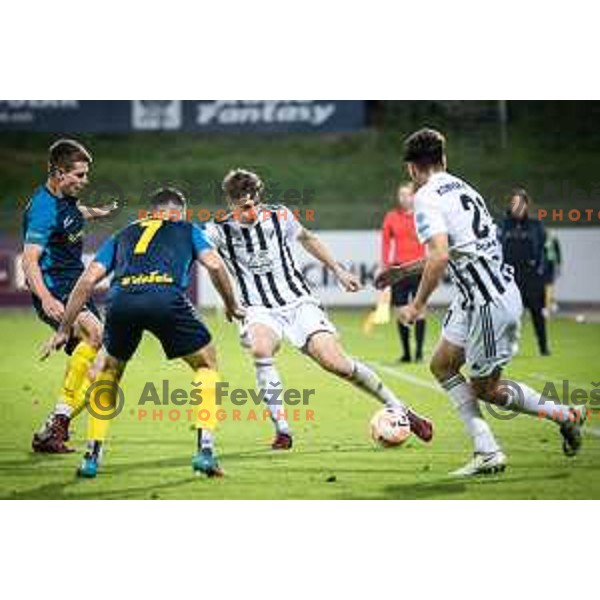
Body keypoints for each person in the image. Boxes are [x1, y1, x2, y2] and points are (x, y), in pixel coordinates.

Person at [397, 128, 585, 477]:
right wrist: (402, 271)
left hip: (488, 302)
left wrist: (418, 304)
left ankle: (563, 414)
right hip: (477, 298)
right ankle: (486, 449)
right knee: (441, 365)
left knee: (486, 389)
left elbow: (439, 257)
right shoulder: (464, 188)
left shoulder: (426, 197)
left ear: (411, 168)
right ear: (444, 159)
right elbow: (456, 249)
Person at [205, 168, 433, 450]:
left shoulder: (280, 216)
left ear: (259, 199)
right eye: (242, 208)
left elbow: (309, 239)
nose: (248, 213)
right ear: (230, 203)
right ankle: (283, 431)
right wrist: (228, 301)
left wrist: (338, 270)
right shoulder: (217, 229)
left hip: (299, 302)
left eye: (252, 206)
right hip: (258, 308)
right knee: (261, 349)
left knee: (335, 362)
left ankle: (402, 409)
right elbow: (204, 258)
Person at [42, 188, 243, 478]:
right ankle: (205, 452)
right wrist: (231, 304)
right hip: (166, 298)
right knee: (206, 363)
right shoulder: (187, 229)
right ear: (178, 213)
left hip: (122, 300)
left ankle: (91, 456)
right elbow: (214, 264)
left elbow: (87, 281)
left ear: (151, 212)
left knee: (108, 372)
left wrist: (64, 329)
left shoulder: (123, 234)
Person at [22, 139, 118, 453]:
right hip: (56, 287)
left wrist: (98, 213)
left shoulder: (64, 200)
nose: (84, 180)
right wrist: (46, 298)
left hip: (77, 286)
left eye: (86, 174)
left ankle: (51, 429)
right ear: (58, 172)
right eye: (78, 175)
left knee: (102, 370)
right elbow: (29, 259)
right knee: (95, 333)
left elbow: (75, 212)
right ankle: (59, 422)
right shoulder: (43, 208)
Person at [499, 189, 551, 355]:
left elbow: (544, 252)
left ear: (527, 205)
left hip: (532, 277)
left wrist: (542, 274)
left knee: (537, 313)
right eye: (515, 203)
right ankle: (507, 346)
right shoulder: (503, 225)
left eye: (521, 203)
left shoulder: (536, 226)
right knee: (508, 314)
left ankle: (543, 347)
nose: (518, 207)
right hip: (509, 278)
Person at [381, 182, 427, 362]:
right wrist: (385, 266)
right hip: (399, 270)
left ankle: (419, 353)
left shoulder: (423, 216)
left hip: (419, 268)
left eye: (408, 194)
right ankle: (406, 353)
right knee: (400, 312)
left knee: (420, 309)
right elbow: (385, 242)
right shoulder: (391, 217)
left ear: (415, 196)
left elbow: (433, 241)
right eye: (401, 195)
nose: (404, 198)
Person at [543, 229, 562, 315]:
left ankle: (549, 306)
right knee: (546, 286)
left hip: (550, 265)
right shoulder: (542, 239)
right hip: (544, 265)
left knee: (549, 286)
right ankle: (550, 304)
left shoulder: (553, 240)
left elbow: (558, 253)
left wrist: (558, 265)